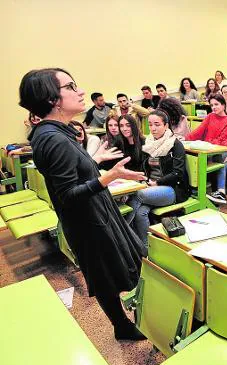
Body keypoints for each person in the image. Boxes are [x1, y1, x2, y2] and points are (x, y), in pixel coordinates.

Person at [20, 68, 146, 340]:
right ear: (52, 99)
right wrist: (109, 177)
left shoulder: (53, 132)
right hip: (89, 220)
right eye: (71, 86)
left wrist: (95, 161)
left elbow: (72, 173)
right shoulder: (53, 138)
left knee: (110, 271)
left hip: (92, 213)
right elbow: (67, 194)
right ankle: (123, 325)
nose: (80, 91)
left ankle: (124, 324)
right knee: (105, 274)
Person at [127, 110, 189, 247]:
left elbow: (177, 173)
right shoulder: (148, 143)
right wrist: (143, 179)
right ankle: (145, 247)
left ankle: (124, 235)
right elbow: (144, 168)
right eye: (150, 125)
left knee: (137, 195)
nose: (153, 128)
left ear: (166, 126)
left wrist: (157, 182)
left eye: (157, 124)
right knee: (141, 212)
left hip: (172, 189)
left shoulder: (175, 144)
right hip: (152, 187)